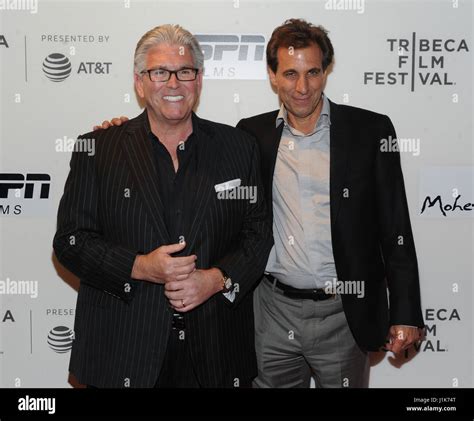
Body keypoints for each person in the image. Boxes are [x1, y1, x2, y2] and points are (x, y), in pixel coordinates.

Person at [95, 19, 425, 388]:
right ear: (272, 76)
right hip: (270, 312)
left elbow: (396, 228)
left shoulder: (370, 132)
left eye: (312, 72)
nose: (302, 87)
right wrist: (122, 135)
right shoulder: (250, 135)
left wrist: (407, 313)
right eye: (290, 73)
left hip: (343, 314)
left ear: (326, 71)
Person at [53, 24, 272, 388]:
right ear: (140, 82)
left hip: (216, 351)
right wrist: (140, 266)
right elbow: (70, 241)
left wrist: (216, 279)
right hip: (123, 349)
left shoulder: (238, 147)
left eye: (184, 71)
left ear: (198, 80)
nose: (173, 83)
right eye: (159, 72)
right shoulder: (98, 149)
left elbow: (258, 234)